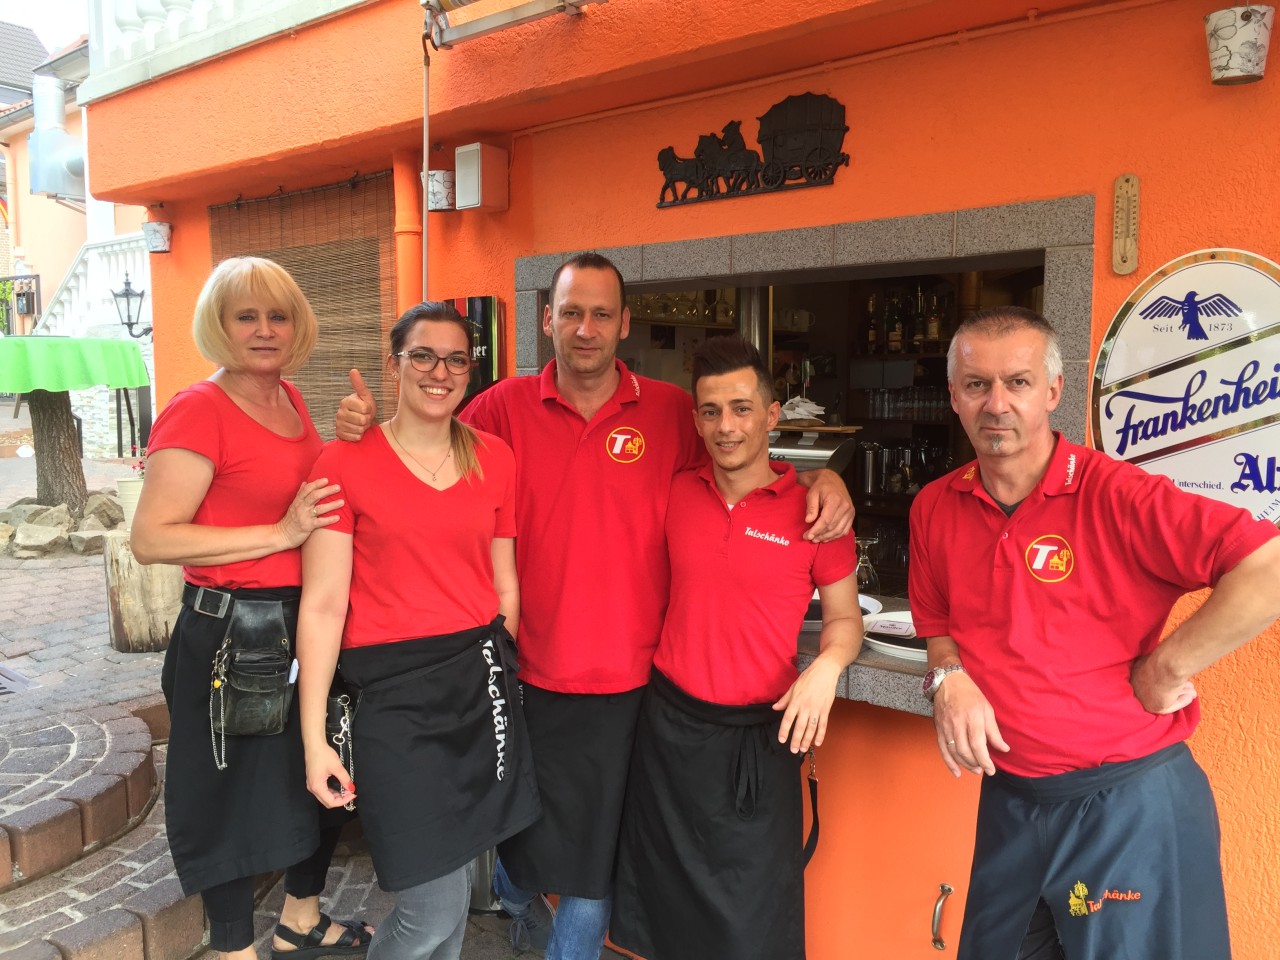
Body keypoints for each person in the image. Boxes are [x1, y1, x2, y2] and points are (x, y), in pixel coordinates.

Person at [336, 252, 853, 960]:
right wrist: (362, 430)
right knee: (521, 835)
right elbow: (423, 446)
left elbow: (739, 465)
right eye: (571, 312)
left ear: (624, 324)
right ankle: (516, 899)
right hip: (519, 674)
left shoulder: (671, 410)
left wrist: (821, 481)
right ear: (548, 319)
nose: (586, 328)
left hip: (633, 687)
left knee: (595, 861)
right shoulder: (499, 408)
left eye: (601, 314)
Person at [908, 306, 1280, 960]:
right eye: (977, 385)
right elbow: (937, 624)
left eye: (1018, 382)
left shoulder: (1117, 496)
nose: (997, 403)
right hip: (1013, 803)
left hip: (1126, 811)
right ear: (953, 398)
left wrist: (1166, 668)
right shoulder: (936, 505)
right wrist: (949, 678)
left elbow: (1267, 567)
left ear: (1053, 391)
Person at [131, 257, 371, 960]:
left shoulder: (290, 399)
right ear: (219, 325)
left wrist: (349, 439)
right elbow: (151, 538)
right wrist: (278, 533)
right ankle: (234, 947)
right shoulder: (198, 408)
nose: (265, 330)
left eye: (278, 316)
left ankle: (300, 920)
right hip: (228, 631)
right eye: (246, 316)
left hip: (301, 621)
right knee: (227, 795)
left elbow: (307, 492)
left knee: (322, 768)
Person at [296, 301, 540, 960]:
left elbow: (505, 583)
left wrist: (503, 675)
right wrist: (314, 737)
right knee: (431, 905)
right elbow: (322, 605)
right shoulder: (342, 461)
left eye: (456, 358)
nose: (440, 371)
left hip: (476, 689)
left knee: (458, 884)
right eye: (423, 355)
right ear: (395, 363)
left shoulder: (497, 459)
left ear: (471, 370)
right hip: (394, 702)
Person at [610, 337, 862, 960]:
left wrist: (827, 667)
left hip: (759, 740)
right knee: (665, 911)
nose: (727, 426)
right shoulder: (675, 494)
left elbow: (846, 619)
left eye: (743, 408)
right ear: (695, 418)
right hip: (667, 733)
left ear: (772, 415)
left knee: (752, 921)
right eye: (712, 411)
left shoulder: (815, 512)